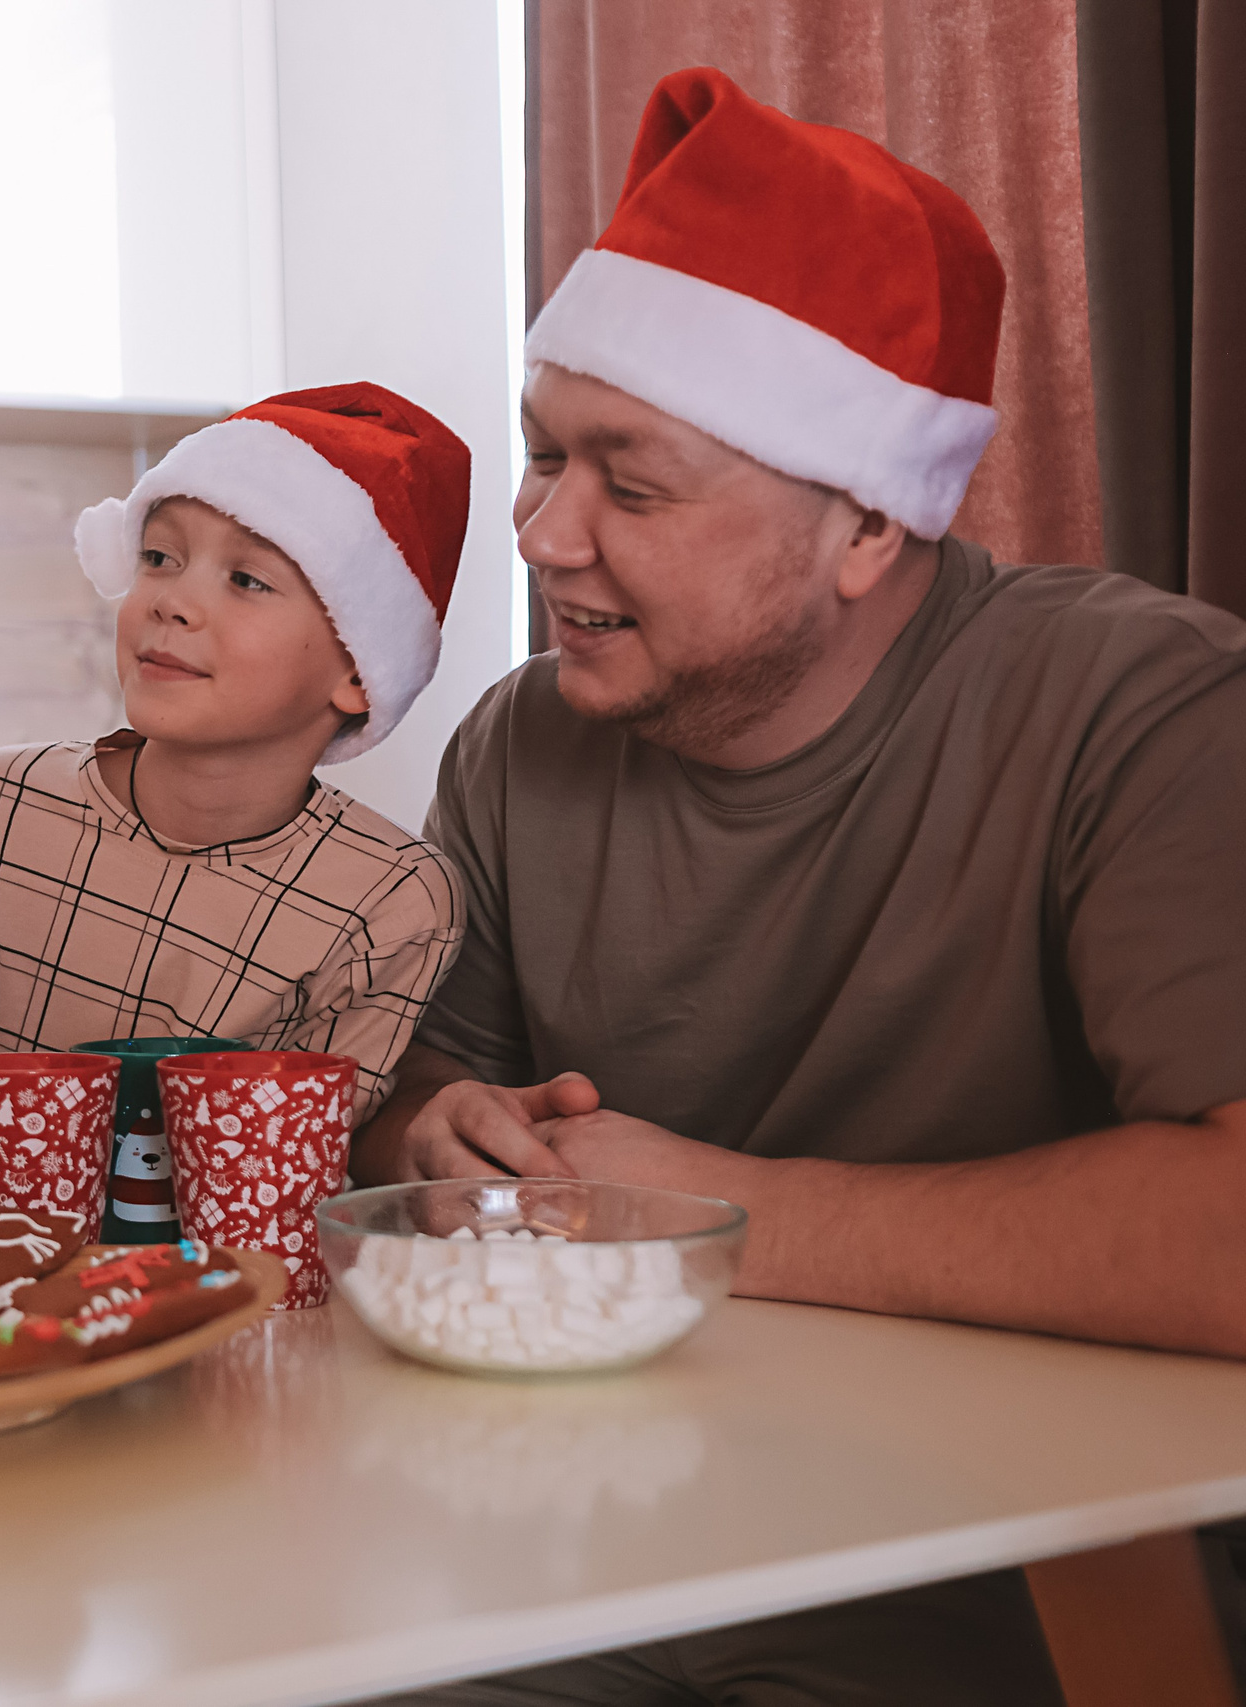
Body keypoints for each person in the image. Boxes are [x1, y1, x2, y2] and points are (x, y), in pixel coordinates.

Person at [369, 69, 1246, 1704]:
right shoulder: (515, 746)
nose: (540, 532)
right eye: (543, 456)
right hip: (549, 1543)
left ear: (863, 522)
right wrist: (432, 1124)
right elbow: (410, 1087)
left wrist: (703, 1215)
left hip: (1003, 1572)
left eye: (627, 484)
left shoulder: (1145, 712)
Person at [0, 384, 469, 1215]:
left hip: (230, 1303)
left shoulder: (395, 903)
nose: (168, 599)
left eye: (246, 579)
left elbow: (304, 1166)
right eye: (159, 557)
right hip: (0, 1292)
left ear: (358, 671)